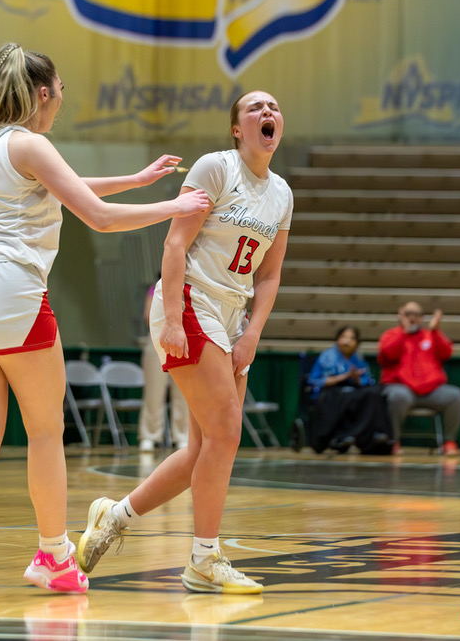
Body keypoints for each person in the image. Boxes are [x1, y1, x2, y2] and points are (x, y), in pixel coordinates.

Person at [0, 43, 210, 602]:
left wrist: (138, 181)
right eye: (61, 89)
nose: (62, 99)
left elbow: (57, 187)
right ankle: (54, 556)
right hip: (9, 290)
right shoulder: (30, 142)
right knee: (46, 432)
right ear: (42, 92)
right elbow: (96, 216)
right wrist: (175, 207)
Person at [75, 89, 292, 596]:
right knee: (226, 432)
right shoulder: (216, 167)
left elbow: (271, 276)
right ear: (237, 129)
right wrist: (171, 318)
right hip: (190, 302)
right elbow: (174, 242)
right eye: (254, 108)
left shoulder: (281, 193)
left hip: (233, 317)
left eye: (274, 107)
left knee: (204, 448)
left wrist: (253, 333)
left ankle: (114, 516)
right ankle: (203, 559)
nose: (267, 113)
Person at [377, 302, 460, 455]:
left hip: (431, 390)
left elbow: (446, 353)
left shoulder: (430, 335)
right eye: (408, 314)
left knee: (455, 396)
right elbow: (388, 355)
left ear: (422, 318)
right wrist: (404, 332)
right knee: (398, 397)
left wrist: (436, 331)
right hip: (401, 387)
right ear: (400, 316)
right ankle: (394, 441)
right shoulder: (392, 334)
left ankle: (449, 441)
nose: (412, 319)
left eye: (416, 315)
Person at [306, 325, 391, 453]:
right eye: (344, 337)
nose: (347, 341)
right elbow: (315, 381)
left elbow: (364, 381)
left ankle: (374, 436)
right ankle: (342, 436)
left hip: (353, 390)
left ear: (357, 343)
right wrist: (343, 377)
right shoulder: (327, 356)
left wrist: (355, 378)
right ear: (337, 339)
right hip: (332, 390)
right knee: (345, 396)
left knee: (374, 393)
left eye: (351, 338)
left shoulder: (358, 359)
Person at [138, 276, 188, 452]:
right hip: (156, 340)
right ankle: (149, 436)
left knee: (183, 392)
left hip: (183, 341)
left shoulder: (188, 286)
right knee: (153, 391)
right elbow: (147, 316)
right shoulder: (154, 289)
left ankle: (182, 436)